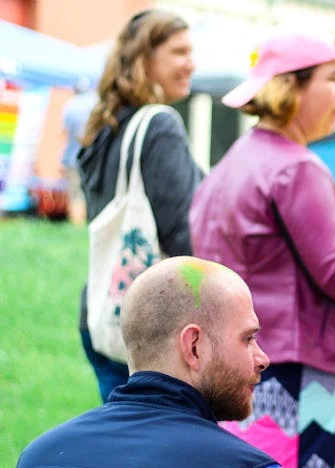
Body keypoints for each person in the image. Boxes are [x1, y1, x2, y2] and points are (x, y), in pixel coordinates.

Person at [189, 26, 335, 468]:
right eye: (333, 78)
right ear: (291, 87)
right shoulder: (296, 169)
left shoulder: (234, 161)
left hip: (237, 358)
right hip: (295, 370)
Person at [17, 257, 281, 468]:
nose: (263, 359)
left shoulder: (39, 457)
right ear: (193, 346)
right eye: (248, 339)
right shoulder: (248, 464)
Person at [77, 9, 203, 403]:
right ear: (144, 60)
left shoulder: (105, 125)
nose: (191, 64)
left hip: (103, 310)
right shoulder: (160, 124)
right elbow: (183, 233)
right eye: (179, 52)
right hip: (154, 327)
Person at [60, 78, 98, 224]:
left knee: (76, 193)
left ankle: (77, 224)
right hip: (93, 156)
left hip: (73, 157)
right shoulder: (95, 103)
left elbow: (64, 132)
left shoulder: (70, 105)